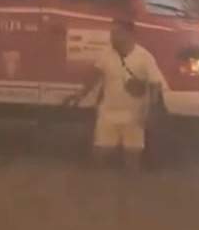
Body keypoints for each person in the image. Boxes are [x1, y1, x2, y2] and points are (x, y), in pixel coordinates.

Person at [70, 18, 163, 172]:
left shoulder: (145, 57)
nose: (113, 37)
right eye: (112, 33)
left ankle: (129, 189)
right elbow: (95, 76)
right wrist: (80, 95)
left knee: (132, 157)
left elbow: (155, 84)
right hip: (109, 112)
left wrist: (149, 110)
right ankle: (98, 186)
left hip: (134, 114)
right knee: (100, 153)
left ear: (130, 34)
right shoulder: (106, 54)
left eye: (117, 33)